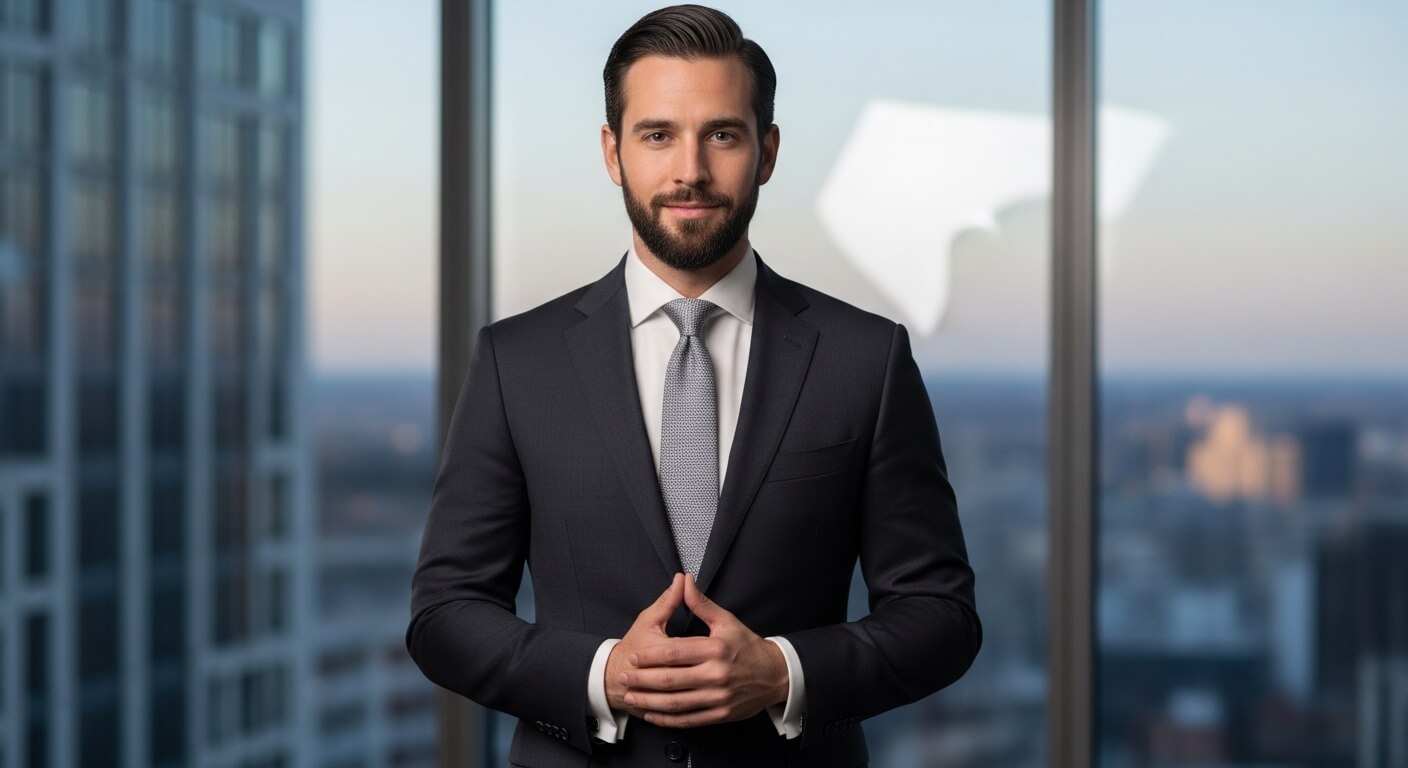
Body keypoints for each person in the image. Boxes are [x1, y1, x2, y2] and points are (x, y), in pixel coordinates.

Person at [407, 5, 980, 766]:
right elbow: (445, 614)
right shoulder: (519, 361)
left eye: (723, 134)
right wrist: (602, 674)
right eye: (657, 135)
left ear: (766, 151)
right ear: (613, 152)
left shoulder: (864, 360)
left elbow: (941, 616)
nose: (690, 170)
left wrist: (782, 673)